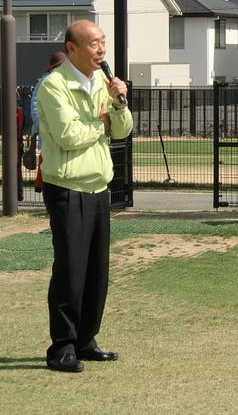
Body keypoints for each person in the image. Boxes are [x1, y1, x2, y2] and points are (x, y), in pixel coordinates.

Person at [37, 19, 133, 372]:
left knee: (97, 270)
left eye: (103, 42)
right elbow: (67, 135)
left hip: (97, 187)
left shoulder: (101, 85)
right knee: (70, 269)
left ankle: (86, 339)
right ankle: (61, 346)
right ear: (72, 48)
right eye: (93, 43)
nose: (101, 50)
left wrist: (119, 105)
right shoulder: (54, 86)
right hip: (66, 188)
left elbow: (123, 130)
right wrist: (102, 122)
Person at [30, 52, 67, 193]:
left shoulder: (64, 80)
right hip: (49, 132)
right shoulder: (46, 81)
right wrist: (42, 125)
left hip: (60, 130)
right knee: (49, 164)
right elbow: (35, 106)